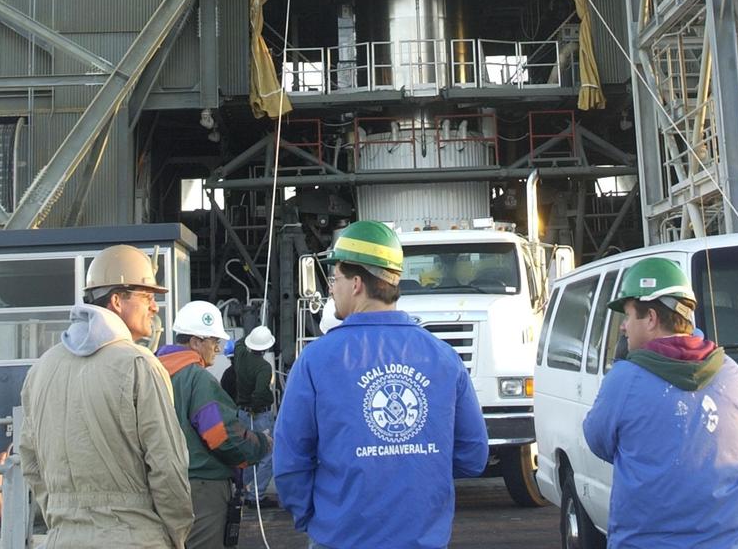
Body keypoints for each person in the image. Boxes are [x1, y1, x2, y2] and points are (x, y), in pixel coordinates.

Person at [273, 219, 489, 549]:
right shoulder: (445, 358)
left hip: (340, 538)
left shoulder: (316, 361)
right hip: (423, 539)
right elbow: (473, 456)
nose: (332, 288)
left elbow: (290, 463)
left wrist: (315, 519)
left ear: (356, 283)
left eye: (335, 278)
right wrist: (416, 476)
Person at [19, 244, 193, 549]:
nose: (154, 307)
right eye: (147, 297)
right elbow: (168, 466)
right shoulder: (139, 365)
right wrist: (175, 536)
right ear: (117, 300)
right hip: (134, 537)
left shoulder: (41, 369)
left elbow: (30, 463)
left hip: (62, 539)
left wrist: (64, 518)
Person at [583, 256, 738, 549]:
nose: (624, 327)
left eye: (627, 316)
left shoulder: (625, 379)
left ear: (650, 318)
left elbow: (598, 442)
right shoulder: (730, 372)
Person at [157, 300, 272, 549]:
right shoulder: (198, 379)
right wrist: (261, 444)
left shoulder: (154, 372)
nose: (218, 349)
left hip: (163, 485)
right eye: (214, 342)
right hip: (202, 489)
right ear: (196, 342)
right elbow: (221, 436)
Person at [232, 324, 277, 505]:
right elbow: (260, 394)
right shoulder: (264, 367)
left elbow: (239, 343)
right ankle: (256, 495)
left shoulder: (241, 355)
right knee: (268, 454)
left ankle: (243, 488)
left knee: (248, 453)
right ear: (266, 348)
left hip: (242, 413)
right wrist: (269, 399)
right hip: (258, 415)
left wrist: (252, 333)